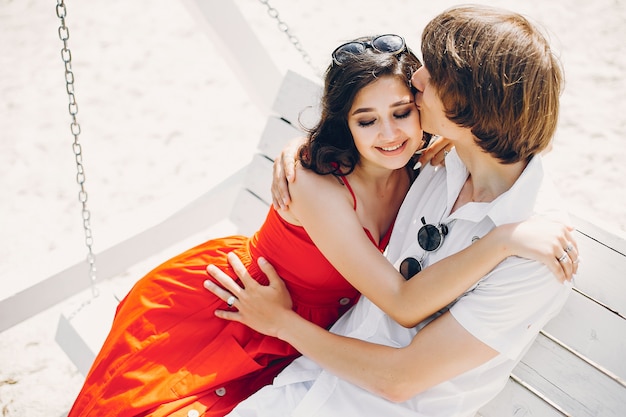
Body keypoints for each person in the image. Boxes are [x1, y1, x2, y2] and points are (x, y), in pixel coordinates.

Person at [68, 32, 576, 417]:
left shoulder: (432, 160)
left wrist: (501, 226)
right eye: (365, 120)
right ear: (345, 122)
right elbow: (401, 302)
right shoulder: (318, 181)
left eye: (406, 108)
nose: (391, 130)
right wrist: (504, 240)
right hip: (242, 306)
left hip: (308, 335)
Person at [204, 5, 577, 417]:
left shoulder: (534, 250)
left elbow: (400, 380)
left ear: (469, 106)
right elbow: (361, 141)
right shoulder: (442, 161)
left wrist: (282, 324)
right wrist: (301, 150)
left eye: (433, 75)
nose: (416, 77)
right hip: (304, 383)